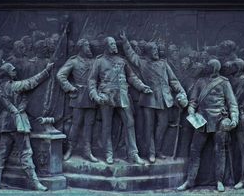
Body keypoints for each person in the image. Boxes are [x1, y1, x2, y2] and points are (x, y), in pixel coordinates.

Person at [120, 31, 188, 163]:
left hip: (164, 99)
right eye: (153, 50)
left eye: (157, 49)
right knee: (149, 127)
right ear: (148, 52)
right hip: (149, 99)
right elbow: (131, 55)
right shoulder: (143, 63)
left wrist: (181, 91)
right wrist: (125, 41)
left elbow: (173, 81)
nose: (156, 52)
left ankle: (158, 151)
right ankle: (151, 153)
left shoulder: (164, 64)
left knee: (162, 125)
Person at [88, 36, 152, 165]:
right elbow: (92, 80)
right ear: (106, 46)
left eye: (114, 44)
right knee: (107, 126)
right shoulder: (99, 61)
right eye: (111, 44)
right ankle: (108, 154)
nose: (114, 46)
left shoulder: (122, 61)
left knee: (130, 123)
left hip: (122, 95)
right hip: (106, 96)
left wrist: (142, 87)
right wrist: (95, 95)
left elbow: (131, 76)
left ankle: (133, 154)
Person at [177, 59, 238, 192]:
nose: (206, 67)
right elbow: (193, 102)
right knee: (194, 151)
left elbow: (232, 103)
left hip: (219, 120)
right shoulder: (200, 82)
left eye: (209, 65)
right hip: (201, 121)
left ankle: (219, 181)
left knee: (219, 152)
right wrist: (191, 112)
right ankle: (190, 181)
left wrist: (234, 118)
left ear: (215, 68)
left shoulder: (224, 82)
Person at [0, 61, 54, 191]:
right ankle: (35, 183)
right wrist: (46, 71)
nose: (15, 72)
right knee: (26, 153)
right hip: (17, 123)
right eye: (12, 70)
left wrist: (23, 104)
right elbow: (31, 82)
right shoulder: (12, 86)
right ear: (7, 73)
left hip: (5, 123)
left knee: (1, 153)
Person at [57, 39, 98, 162]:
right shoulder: (73, 61)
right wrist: (70, 88)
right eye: (87, 46)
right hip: (79, 96)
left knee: (89, 124)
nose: (89, 49)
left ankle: (87, 151)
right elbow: (60, 75)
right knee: (76, 124)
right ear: (81, 48)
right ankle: (70, 149)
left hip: (91, 96)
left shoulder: (94, 62)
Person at [222, 59, 244, 189]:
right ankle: (231, 178)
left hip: (242, 116)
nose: (231, 67)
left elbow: (235, 98)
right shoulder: (231, 79)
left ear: (239, 67)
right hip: (232, 115)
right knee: (231, 147)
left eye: (234, 65)